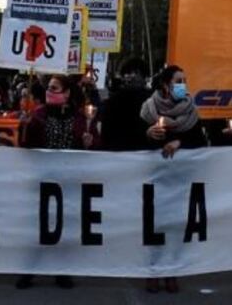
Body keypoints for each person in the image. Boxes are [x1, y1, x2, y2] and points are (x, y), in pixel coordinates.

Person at [17, 74, 100, 290]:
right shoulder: (38, 115)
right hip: (43, 177)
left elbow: (93, 146)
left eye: (54, 88)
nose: (49, 92)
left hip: (69, 179)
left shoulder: (80, 117)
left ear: (67, 93)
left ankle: (62, 270)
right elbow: (26, 146)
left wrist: (89, 142)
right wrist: (24, 127)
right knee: (39, 223)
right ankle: (29, 269)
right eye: (48, 88)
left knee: (65, 224)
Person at [140, 65, 208, 294]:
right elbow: (134, 142)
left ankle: (172, 271)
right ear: (165, 85)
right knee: (155, 225)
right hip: (155, 177)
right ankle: (154, 270)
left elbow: (200, 142)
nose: (183, 85)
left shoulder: (191, 111)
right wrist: (149, 134)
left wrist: (180, 142)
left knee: (177, 226)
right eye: (178, 81)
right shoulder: (148, 109)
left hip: (181, 178)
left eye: (184, 81)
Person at [101, 58, 151, 152]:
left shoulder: (151, 99)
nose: (132, 76)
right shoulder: (113, 100)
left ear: (144, 77)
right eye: (128, 73)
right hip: (120, 150)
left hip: (141, 150)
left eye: (136, 73)